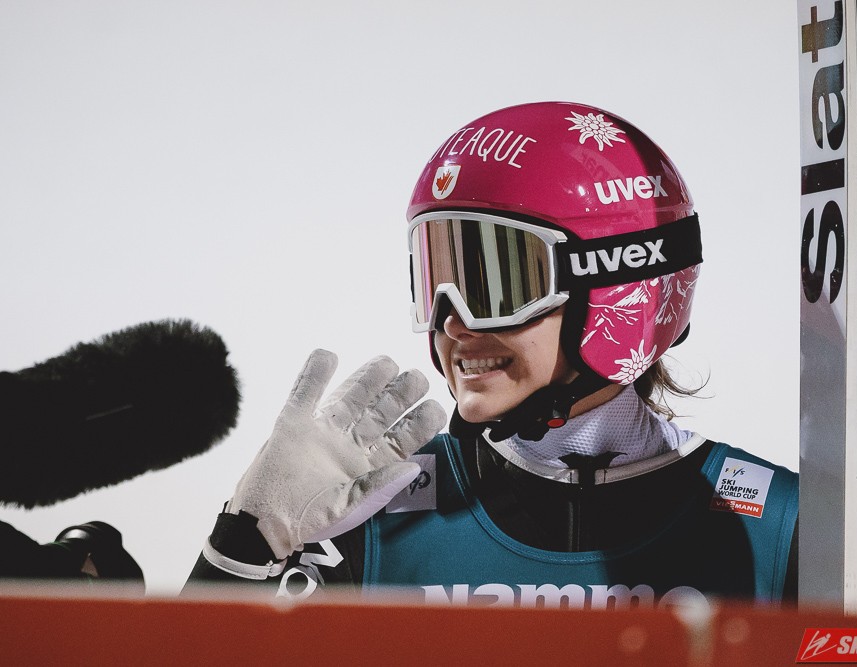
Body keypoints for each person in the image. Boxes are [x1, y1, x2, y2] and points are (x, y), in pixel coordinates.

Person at [187, 102, 798, 608]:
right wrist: (243, 547)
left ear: (615, 284)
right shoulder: (367, 513)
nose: (453, 323)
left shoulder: (781, 529)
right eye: (438, 278)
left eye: (498, 284)